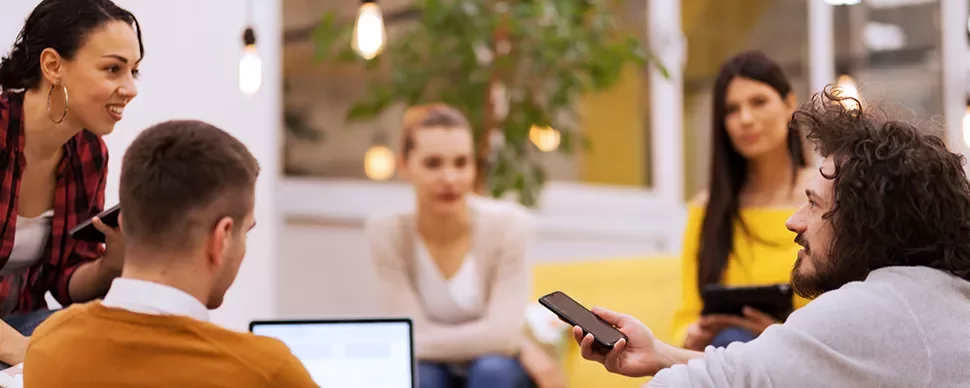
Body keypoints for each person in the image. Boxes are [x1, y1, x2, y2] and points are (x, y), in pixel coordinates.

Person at [572, 89, 970, 387]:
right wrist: (661, 352)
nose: (793, 222)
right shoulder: (935, 298)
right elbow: (769, 370)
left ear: (867, 220)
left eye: (813, 205)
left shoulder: (878, 309)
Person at [23, 120, 318, 387]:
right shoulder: (266, 373)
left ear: (123, 224)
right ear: (223, 237)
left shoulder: (47, 346)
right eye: (245, 232)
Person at [366, 104, 562, 388]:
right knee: (422, 377)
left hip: (500, 371)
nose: (450, 178)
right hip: (433, 368)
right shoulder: (386, 233)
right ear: (405, 166)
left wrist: (507, 340)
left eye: (461, 163)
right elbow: (406, 338)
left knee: (491, 371)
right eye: (433, 163)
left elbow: (501, 336)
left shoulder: (510, 225)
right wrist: (502, 339)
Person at [0, 0, 141, 365]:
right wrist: (22, 352)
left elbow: (65, 285)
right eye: (113, 69)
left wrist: (113, 262)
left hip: (24, 323)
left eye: (134, 72)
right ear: (53, 66)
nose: (130, 88)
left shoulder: (89, 154)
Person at [672, 50, 813, 351]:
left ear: (790, 104)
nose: (745, 119)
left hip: (802, 358)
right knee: (728, 344)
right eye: (731, 110)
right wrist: (693, 334)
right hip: (723, 356)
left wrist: (779, 333)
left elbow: (848, 307)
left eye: (758, 102)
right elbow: (685, 317)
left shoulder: (827, 193)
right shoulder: (706, 209)